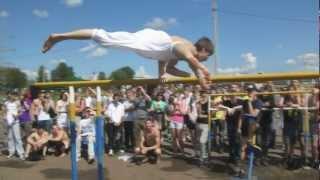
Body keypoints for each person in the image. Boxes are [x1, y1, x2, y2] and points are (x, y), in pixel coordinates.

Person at [41, 28, 214, 89]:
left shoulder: (183, 55)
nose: (207, 60)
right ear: (204, 50)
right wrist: (203, 71)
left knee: (171, 58)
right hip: (146, 41)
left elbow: (166, 62)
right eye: (208, 56)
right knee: (102, 37)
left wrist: (189, 77)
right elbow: (186, 55)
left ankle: (60, 37)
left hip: (153, 46)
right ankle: (59, 36)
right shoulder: (187, 47)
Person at [4, 91, 25, 160]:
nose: (12, 96)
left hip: (15, 122)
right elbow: (5, 111)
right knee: (10, 137)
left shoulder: (17, 102)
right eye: (10, 95)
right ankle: (11, 152)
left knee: (17, 137)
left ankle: (21, 153)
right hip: (9, 122)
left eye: (13, 95)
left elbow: (21, 111)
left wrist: (16, 116)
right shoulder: (6, 103)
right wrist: (5, 117)